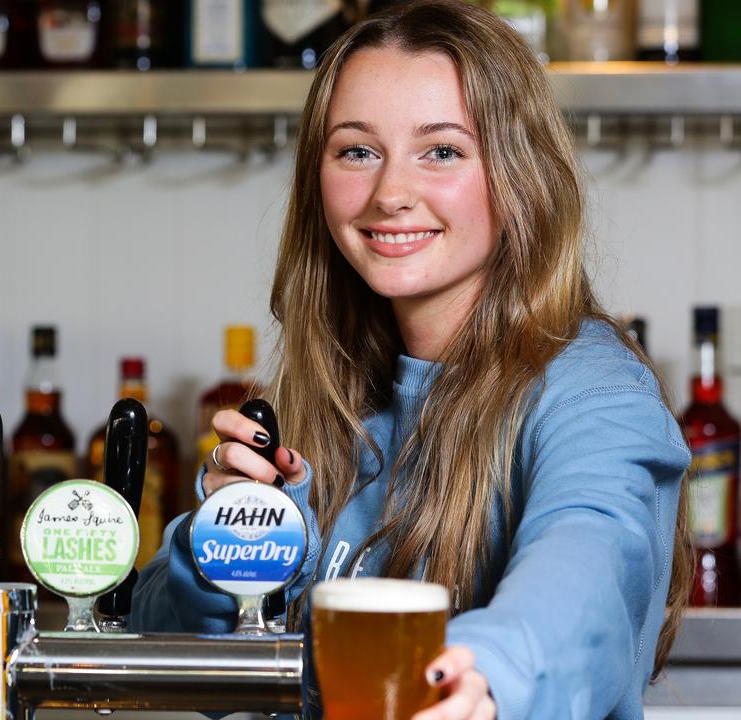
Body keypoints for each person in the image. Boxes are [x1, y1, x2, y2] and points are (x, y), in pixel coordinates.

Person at [129, 2, 691, 719]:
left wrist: (490, 672)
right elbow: (155, 630)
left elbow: (589, 554)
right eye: (357, 151)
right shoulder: (328, 393)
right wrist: (230, 532)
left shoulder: (592, 393)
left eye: (443, 151)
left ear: (521, 175)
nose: (391, 194)